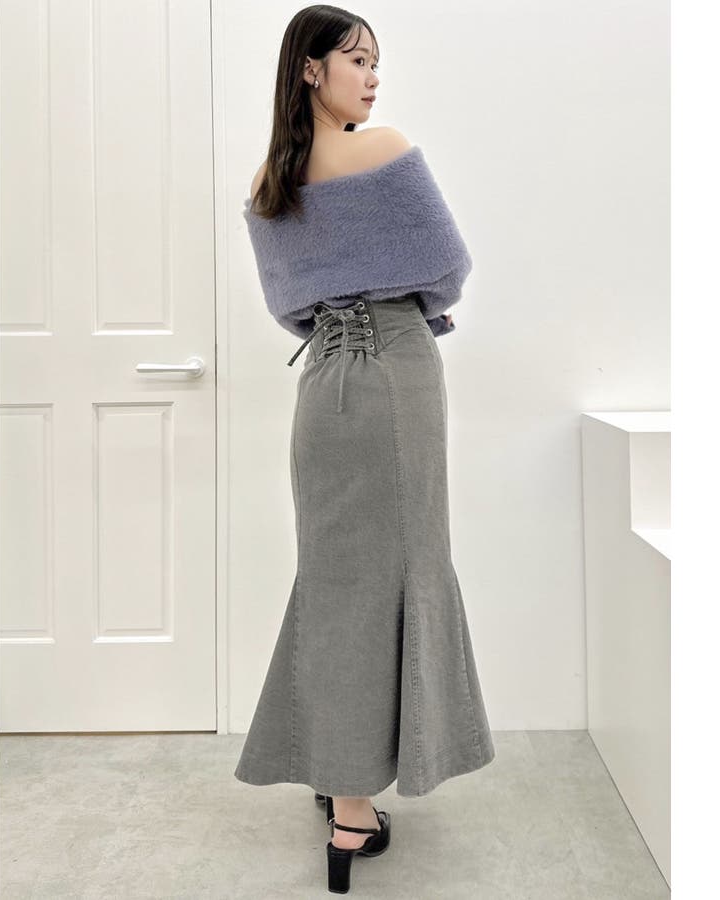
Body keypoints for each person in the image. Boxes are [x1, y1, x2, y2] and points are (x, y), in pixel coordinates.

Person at [235, 5, 496, 893]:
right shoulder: (384, 151)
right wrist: (405, 307)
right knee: (408, 567)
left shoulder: (271, 181)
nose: (374, 77)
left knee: (337, 578)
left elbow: (289, 306)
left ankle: (344, 789)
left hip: (322, 388)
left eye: (376, 62)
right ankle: (358, 807)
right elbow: (448, 267)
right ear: (311, 69)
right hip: (394, 370)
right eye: (357, 59)